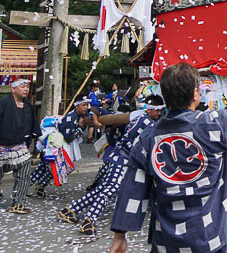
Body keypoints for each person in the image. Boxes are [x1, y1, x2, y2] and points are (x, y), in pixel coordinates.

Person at [108, 43, 227, 253]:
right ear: (196, 95)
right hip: (209, 233)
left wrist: (120, 235)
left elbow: (133, 187)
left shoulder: (148, 138)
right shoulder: (213, 125)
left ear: (165, 97)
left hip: (167, 238)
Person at [60, 95, 164, 236]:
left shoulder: (139, 118)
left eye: (160, 110)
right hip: (123, 158)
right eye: (157, 110)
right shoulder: (148, 123)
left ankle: (70, 210)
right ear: (150, 109)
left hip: (117, 156)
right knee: (110, 189)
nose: (159, 113)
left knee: (103, 188)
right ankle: (89, 220)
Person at [0, 79, 41, 213]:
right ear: (13, 89)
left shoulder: (28, 106)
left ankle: (18, 202)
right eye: (22, 87)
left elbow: (31, 127)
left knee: (24, 174)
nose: (26, 89)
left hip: (19, 146)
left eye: (27, 87)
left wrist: (30, 143)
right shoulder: (0, 104)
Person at [30, 95, 96, 198]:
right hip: (58, 144)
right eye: (84, 105)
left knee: (47, 166)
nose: (86, 107)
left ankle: (36, 185)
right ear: (77, 106)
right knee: (53, 167)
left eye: (87, 105)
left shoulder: (82, 114)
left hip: (61, 144)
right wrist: (80, 128)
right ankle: (30, 186)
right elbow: (68, 137)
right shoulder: (71, 118)